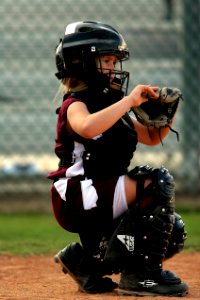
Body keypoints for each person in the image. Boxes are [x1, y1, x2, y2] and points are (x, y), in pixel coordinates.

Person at [48, 21, 188, 296]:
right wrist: (129, 102)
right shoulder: (75, 104)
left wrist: (165, 112)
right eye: (107, 60)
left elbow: (151, 137)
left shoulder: (110, 105)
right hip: (78, 193)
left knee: (171, 231)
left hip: (101, 191)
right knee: (157, 181)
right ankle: (142, 277)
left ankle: (83, 261)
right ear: (82, 62)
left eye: (115, 60)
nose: (113, 67)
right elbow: (87, 126)